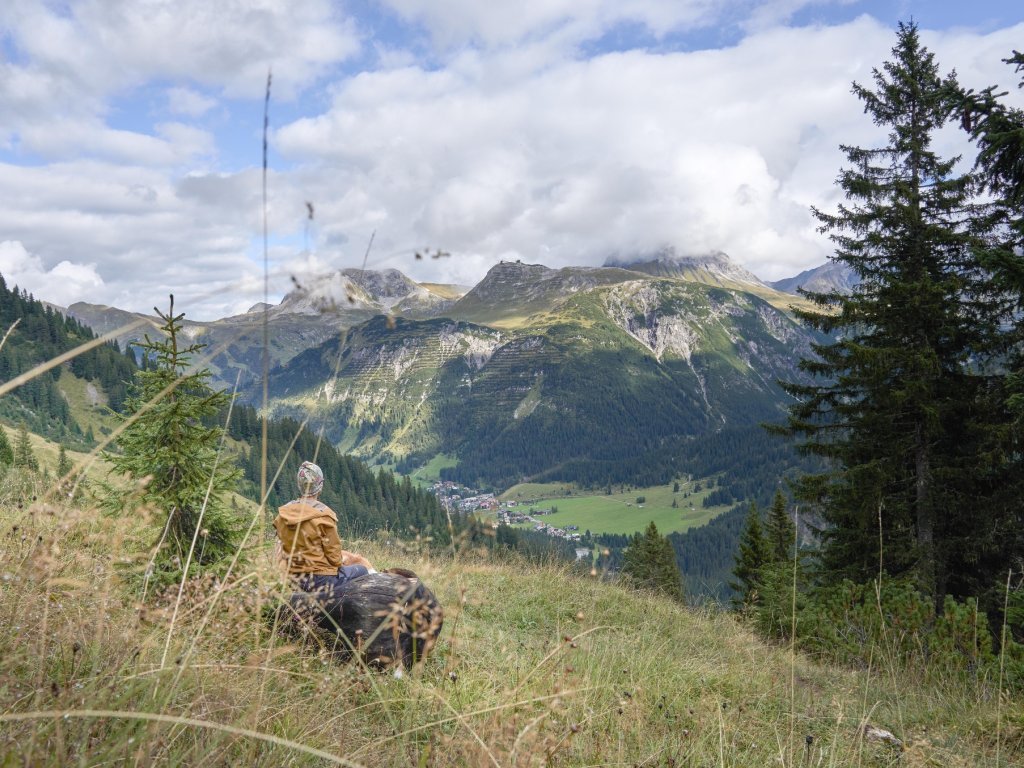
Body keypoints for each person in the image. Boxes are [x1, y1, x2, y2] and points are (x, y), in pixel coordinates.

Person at [274, 460, 375, 592]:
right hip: (321, 581)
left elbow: (278, 553)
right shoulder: (325, 517)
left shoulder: (282, 515)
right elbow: (335, 559)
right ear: (320, 486)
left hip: (292, 578)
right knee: (362, 570)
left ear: (299, 485)